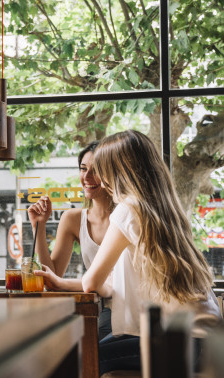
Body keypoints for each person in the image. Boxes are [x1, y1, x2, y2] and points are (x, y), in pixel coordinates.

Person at [38, 130, 221, 374]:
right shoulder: (162, 208)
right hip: (206, 342)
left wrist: (69, 283)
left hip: (182, 342)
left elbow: (92, 282)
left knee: (71, 361)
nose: (100, 179)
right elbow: (108, 285)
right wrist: (60, 283)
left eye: (103, 170)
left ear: (120, 171)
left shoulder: (128, 209)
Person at [28, 140, 115, 340]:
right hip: (104, 309)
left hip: (132, 306)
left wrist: (61, 283)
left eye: (95, 170)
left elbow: (59, 281)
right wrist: (38, 227)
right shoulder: (73, 219)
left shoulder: (126, 215)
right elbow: (53, 274)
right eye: (83, 169)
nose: (87, 177)